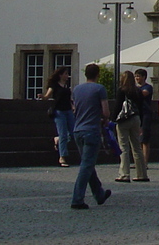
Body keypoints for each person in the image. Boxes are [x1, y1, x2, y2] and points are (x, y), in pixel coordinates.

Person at [69, 63, 112, 209]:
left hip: (78, 130)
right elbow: (106, 112)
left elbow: (75, 109)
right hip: (91, 130)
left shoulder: (76, 89)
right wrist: (103, 118)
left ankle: (99, 194)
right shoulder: (100, 89)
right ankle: (77, 199)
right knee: (86, 166)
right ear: (97, 74)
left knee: (88, 164)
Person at [113, 70, 148, 182]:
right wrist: (141, 123)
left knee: (124, 147)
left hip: (124, 119)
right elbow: (142, 107)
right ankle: (142, 174)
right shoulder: (138, 91)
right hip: (136, 119)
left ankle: (124, 174)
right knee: (137, 147)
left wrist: (113, 119)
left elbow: (118, 106)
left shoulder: (121, 90)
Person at [42, 66, 74, 167]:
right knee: (63, 134)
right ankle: (62, 157)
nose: (67, 76)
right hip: (59, 111)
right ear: (60, 75)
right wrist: (43, 97)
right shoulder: (54, 85)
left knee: (73, 133)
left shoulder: (66, 86)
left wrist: (73, 106)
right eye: (65, 74)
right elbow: (47, 96)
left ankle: (57, 140)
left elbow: (69, 99)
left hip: (68, 110)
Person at [135, 69, 154, 164]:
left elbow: (143, 93)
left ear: (144, 77)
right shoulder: (135, 88)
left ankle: (145, 162)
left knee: (145, 139)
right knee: (136, 139)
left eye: (139, 76)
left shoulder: (148, 87)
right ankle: (138, 161)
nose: (137, 78)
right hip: (137, 114)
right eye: (136, 76)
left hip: (146, 114)